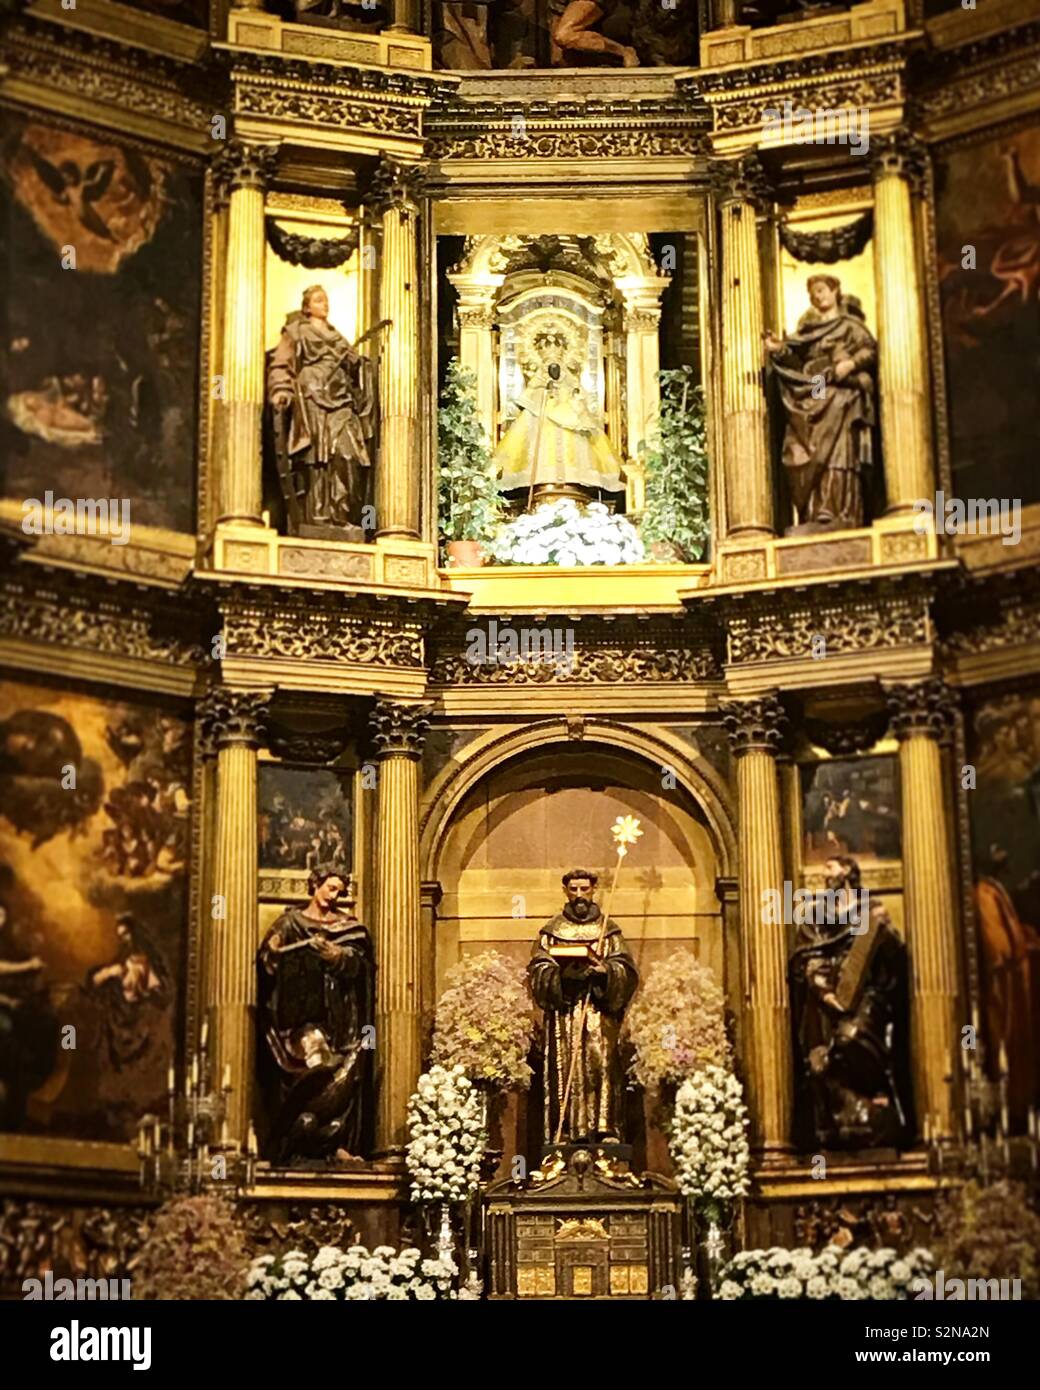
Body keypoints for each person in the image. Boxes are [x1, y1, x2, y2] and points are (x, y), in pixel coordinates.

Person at [789, 856, 910, 1149]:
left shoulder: (870, 909)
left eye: (829, 867)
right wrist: (825, 988)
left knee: (851, 1038)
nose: (823, 872)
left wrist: (882, 933)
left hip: (867, 995)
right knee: (821, 1059)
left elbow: (894, 954)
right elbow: (804, 954)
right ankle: (831, 1122)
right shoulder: (817, 914)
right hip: (824, 995)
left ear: (846, 871)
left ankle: (872, 1099)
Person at [257, 866, 373, 1163]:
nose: (335, 895)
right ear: (315, 885)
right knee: (312, 1070)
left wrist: (338, 956)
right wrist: (271, 952)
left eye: (339, 891)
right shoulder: (289, 923)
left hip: (341, 1016)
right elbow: (266, 964)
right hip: (299, 1015)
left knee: (345, 1073)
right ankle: (292, 1142)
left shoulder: (348, 927)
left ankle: (338, 1144)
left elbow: (362, 967)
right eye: (330, 888)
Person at [527, 868, 638, 1147]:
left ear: (593, 890)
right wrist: (561, 976)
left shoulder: (608, 930)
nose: (579, 895)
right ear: (565, 891)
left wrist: (606, 972)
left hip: (598, 1013)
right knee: (565, 1070)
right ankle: (564, 1130)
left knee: (601, 1064)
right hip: (564, 1013)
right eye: (573, 889)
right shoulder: (552, 930)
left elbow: (625, 968)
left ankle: (605, 1128)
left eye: (584, 889)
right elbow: (538, 968)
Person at [765, 274, 878, 530]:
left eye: (822, 290)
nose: (818, 296)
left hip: (843, 395)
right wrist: (780, 350)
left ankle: (839, 509)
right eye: (813, 292)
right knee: (803, 439)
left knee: (839, 453)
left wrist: (850, 363)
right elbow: (800, 370)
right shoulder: (807, 333)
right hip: (816, 390)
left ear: (835, 291)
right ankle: (813, 511)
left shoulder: (850, 326)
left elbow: (869, 350)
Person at [267, 284, 376, 541]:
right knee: (317, 458)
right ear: (307, 306)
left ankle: (342, 513)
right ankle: (318, 517)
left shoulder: (338, 338)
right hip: (312, 397)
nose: (324, 304)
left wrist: (358, 363)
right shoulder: (296, 332)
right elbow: (283, 363)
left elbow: (356, 369)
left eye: (326, 300)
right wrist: (281, 389)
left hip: (341, 400)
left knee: (347, 455)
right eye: (318, 300)